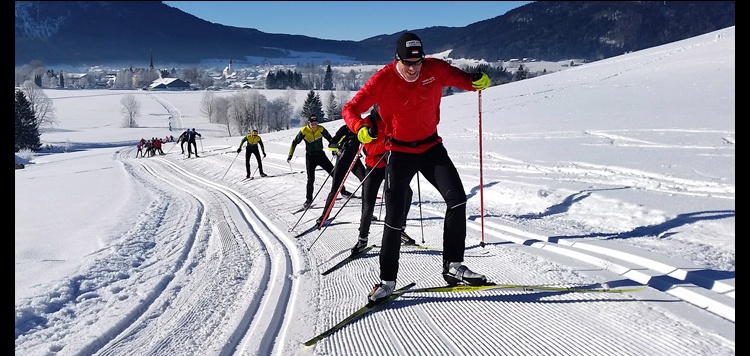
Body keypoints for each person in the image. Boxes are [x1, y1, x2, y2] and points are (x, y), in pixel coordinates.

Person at [342, 32, 492, 302]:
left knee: (457, 200)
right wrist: (360, 127)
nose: (413, 69)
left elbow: (463, 80)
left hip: (431, 147)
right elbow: (351, 108)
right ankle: (387, 281)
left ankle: (453, 266)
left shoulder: (435, 68)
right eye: (407, 64)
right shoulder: (383, 79)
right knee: (394, 217)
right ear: (396, 60)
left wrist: (476, 82)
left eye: (417, 62)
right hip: (398, 152)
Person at [350, 106, 415, 256]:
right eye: (381, 105)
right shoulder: (368, 122)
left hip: (390, 167)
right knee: (368, 204)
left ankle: (399, 229)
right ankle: (362, 238)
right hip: (373, 167)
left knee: (407, 193)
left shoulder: (392, 120)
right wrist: (387, 142)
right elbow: (368, 150)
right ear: (376, 107)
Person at [316, 123, 366, 227]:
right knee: (335, 188)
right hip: (342, 160)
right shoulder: (344, 129)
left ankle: (366, 214)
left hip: (355, 160)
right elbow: (331, 145)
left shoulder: (361, 129)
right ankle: (324, 216)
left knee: (366, 181)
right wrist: (340, 146)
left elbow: (365, 144)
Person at [287, 115, 334, 208]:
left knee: (334, 173)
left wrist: (334, 149)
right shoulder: (304, 131)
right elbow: (294, 142)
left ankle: (343, 191)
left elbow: (330, 139)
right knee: (311, 179)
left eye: (316, 124)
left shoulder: (321, 129)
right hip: (310, 157)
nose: (314, 126)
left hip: (321, 155)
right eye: (312, 124)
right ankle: (309, 199)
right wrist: (290, 154)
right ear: (309, 123)